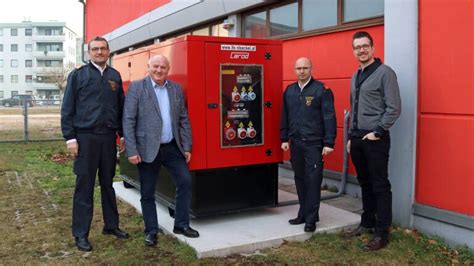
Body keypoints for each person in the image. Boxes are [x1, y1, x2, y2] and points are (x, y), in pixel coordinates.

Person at [123, 54, 199, 247]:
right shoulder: (137, 88)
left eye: (163, 67)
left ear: (168, 69)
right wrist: (131, 150)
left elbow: (183, 118)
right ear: (148, 67)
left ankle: (181, 224)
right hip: (146, 148)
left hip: (172, 147)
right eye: (155, 66)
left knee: (185, 181)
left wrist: (187, 146)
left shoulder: (175, 88)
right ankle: (151, 231)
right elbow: (129, 120)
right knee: (148, 192)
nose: (159, 70)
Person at [61, 36, 129, 252]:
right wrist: (70, 138)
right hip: (85, 139)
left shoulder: (114, 76)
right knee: (85, 187)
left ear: (109, 51)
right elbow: (67, 108)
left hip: (108, 139)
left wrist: (123, 135)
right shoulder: (78, 75)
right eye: (95, 49)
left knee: (108, 184)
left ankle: (111, 226)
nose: (99, 52)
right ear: (89, 52)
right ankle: (80, 234)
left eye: (103, 49)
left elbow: (121, 108)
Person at [343, 31, 401, 251]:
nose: (361, 50)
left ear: (373, 48)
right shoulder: (356, 75)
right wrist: (350, 137)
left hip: (375, 138)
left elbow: (394, 108)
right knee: (364, 182)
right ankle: (367, 222)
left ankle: (382, 233)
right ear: (353, 51)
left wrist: (378, 130)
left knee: (380, 185)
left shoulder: (385, 73)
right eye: (357, 47)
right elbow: (354, 109)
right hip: (357, 138)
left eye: (365, 46)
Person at [280, 57, 337, 232]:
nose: (302, 71)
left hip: (313, 144)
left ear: (311, 69)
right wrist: (283, 139)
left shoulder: (321, 90)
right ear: (294, 70)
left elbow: (329, 117)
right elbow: (284, 116)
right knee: (300, 179)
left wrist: (329, 142)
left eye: (305, 68)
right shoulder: (289, 91)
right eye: (299, 68)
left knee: (313, 181)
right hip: (295, 143)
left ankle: (311, 219)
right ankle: (303, 213)